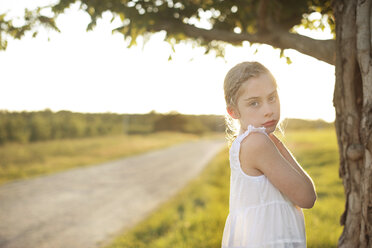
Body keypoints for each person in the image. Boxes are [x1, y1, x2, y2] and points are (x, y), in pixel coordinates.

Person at [221, 61, 317, 248]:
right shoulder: (258, 143)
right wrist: (278, 144)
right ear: (233, 111)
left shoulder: (248, 142)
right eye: (254, 103)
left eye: (272, 98)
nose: (268, 110)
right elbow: (307, 197)